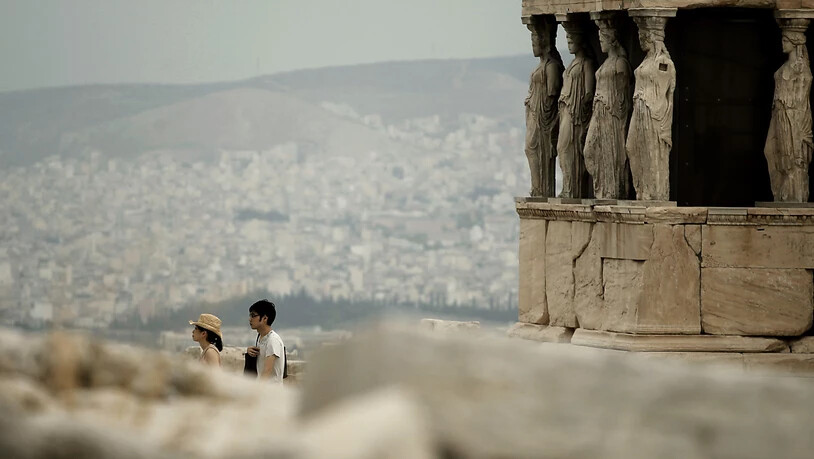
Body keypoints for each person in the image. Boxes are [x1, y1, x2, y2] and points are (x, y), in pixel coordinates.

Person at [246, 299, 285, 382]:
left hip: (271, 392)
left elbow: (267, 371)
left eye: (253, 316)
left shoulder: (273, 340)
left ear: (264, 318)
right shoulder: (261, 337)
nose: (250, 319)